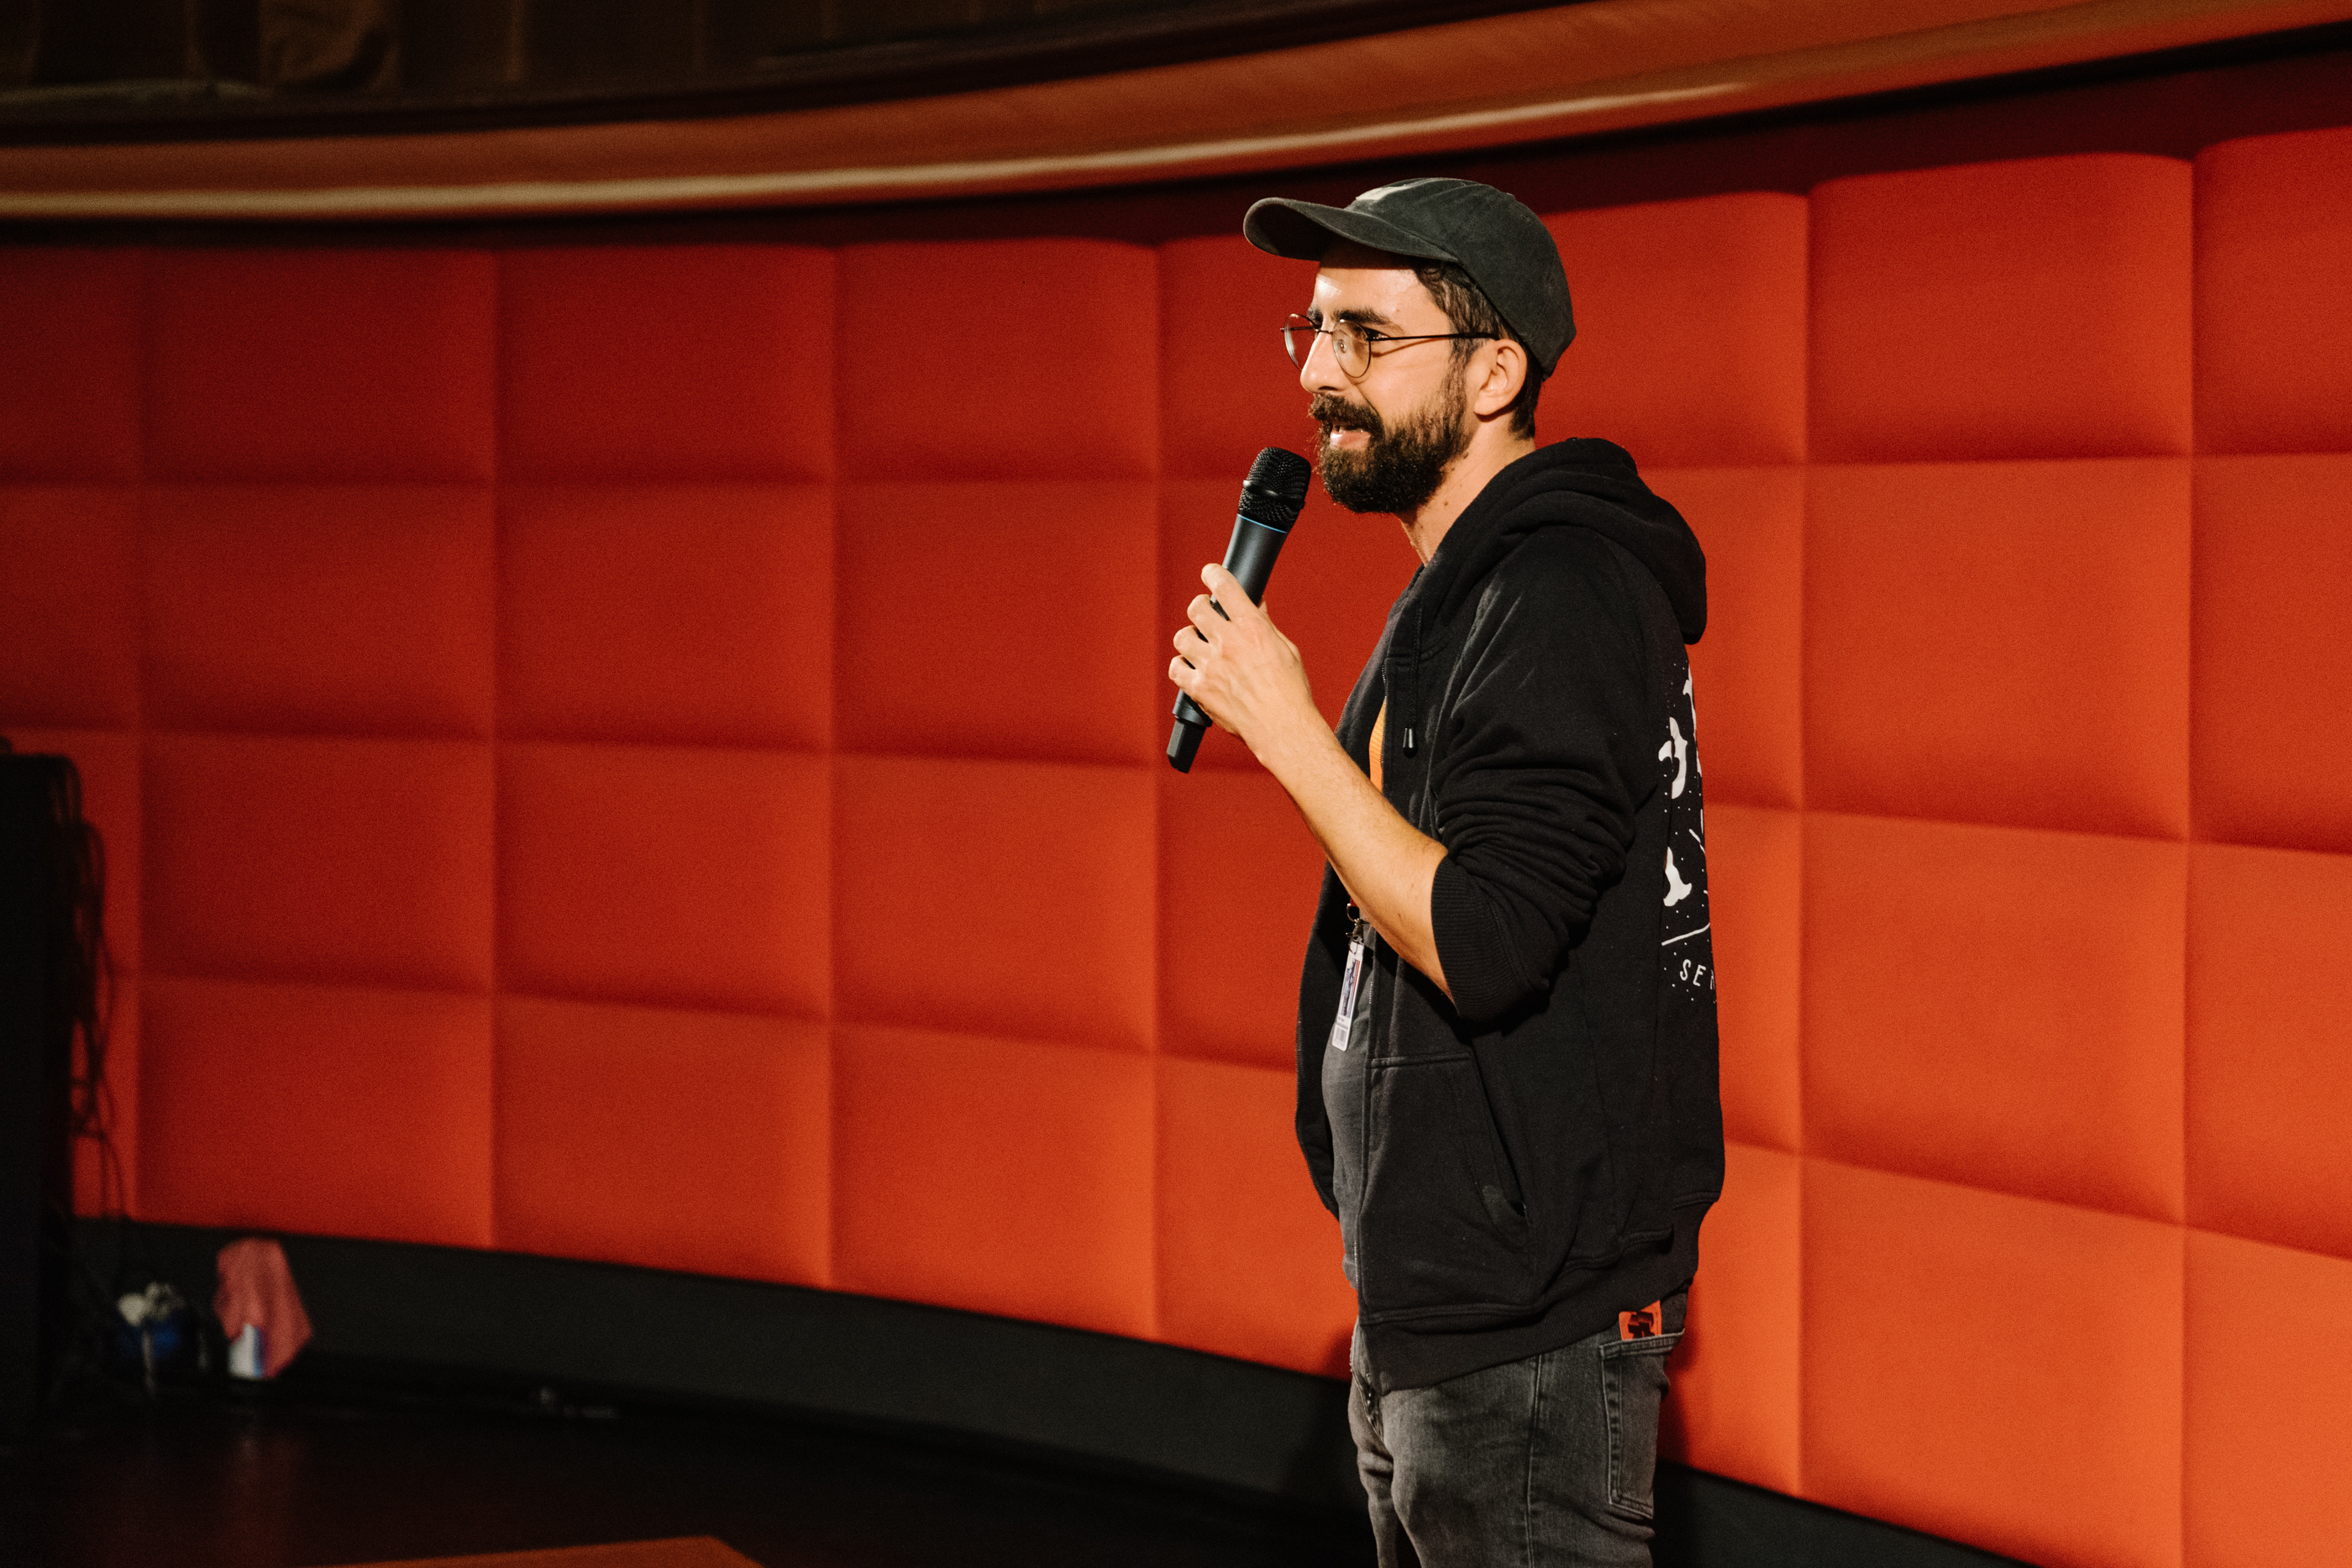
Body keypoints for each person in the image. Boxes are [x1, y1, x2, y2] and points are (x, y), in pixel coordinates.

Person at [1165, 177, 1724, 1566]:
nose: (1317, 373)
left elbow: (1486, 938)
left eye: (1364, 335)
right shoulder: (1465, 593)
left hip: (1525, 1333)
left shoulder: (1561, 590)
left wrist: (1287, 729)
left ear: (1493, 374)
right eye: (1310, 330)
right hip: (1434, 1309)